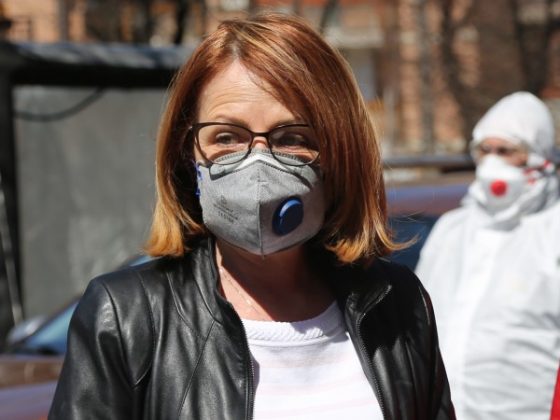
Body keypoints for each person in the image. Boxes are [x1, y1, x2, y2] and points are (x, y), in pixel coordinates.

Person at [49, 13, 454, 419]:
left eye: (291, 137)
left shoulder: (397, 304)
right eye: (227, 137)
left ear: (339, 154)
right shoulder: (127, 318)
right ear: (188, 153)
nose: (258, 162)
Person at [416, 91, 560, 419]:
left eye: (506, 151)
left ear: (539, 157)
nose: (493, 162)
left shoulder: (553, 234)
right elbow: (418, 318)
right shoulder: (452, 229)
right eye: (485, 150)